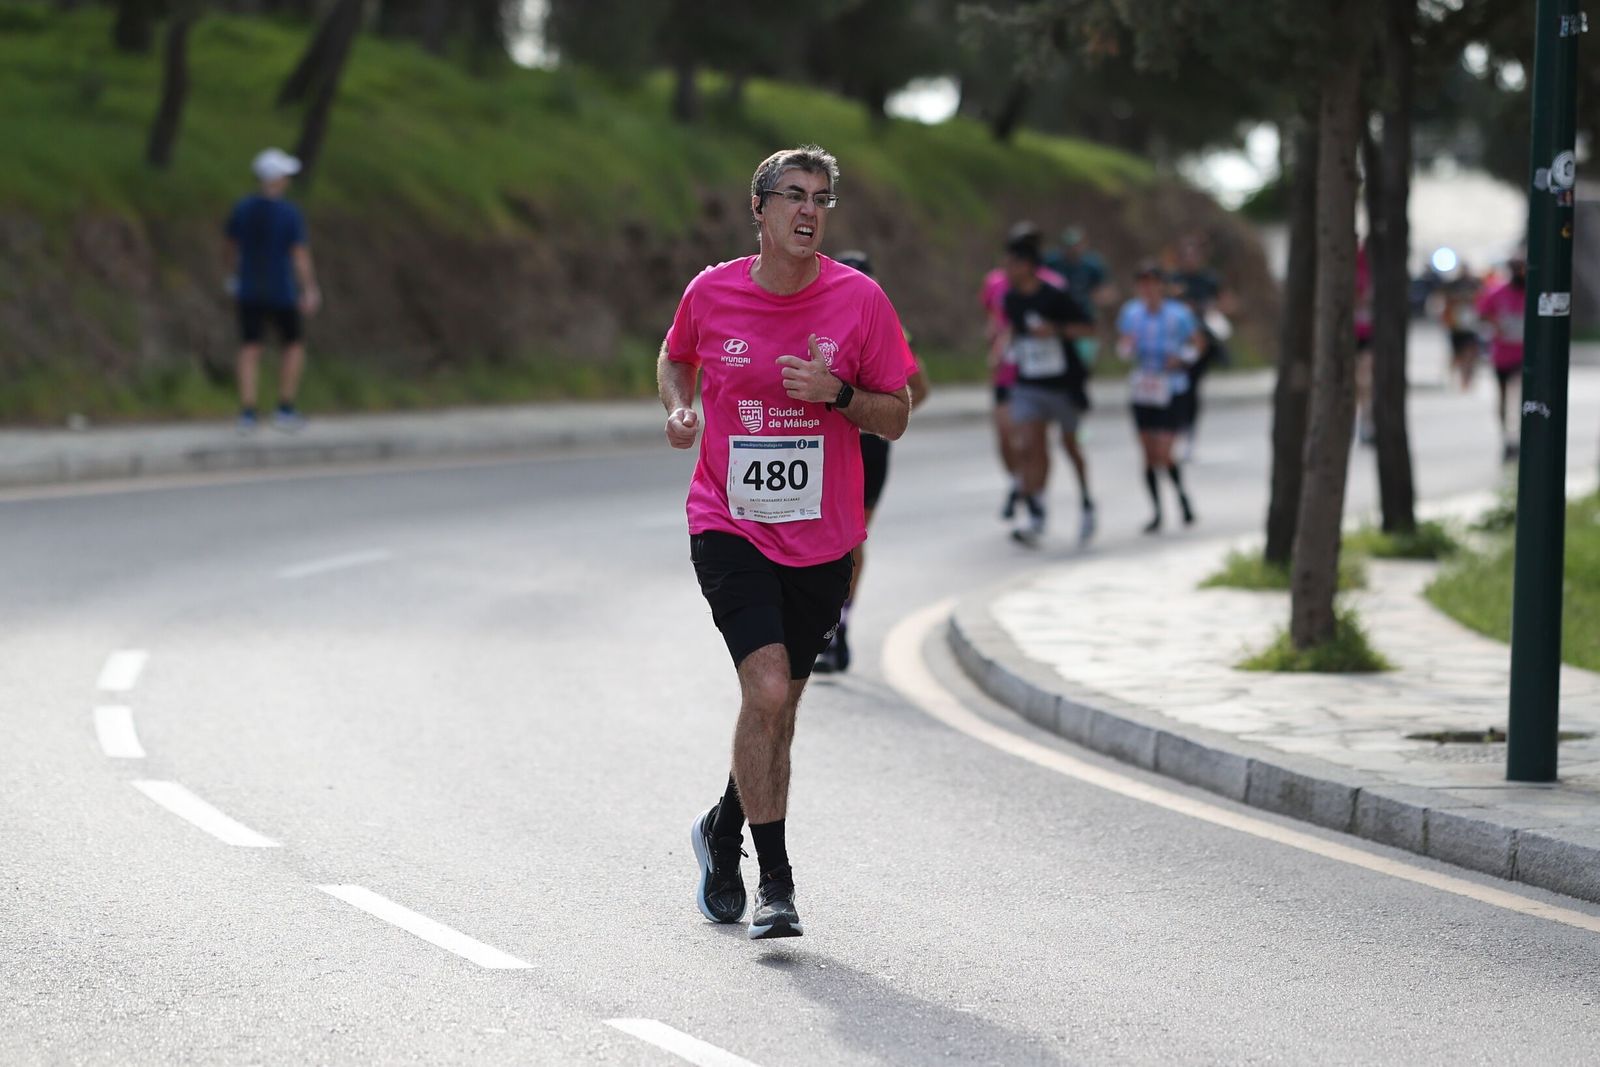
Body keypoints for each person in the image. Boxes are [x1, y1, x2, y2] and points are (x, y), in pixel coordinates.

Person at [658, 146, 914, 939]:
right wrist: (680, 408)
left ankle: (721, 828)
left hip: (822, 539)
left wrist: (837, 394)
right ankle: (775, 882)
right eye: (795, 196)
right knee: (766, 690)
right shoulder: (712, 290)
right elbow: (675, 356)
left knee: (781, 707)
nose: (810, 211)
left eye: (823, 199)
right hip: (729, 523)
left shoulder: (859, 301)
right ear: (760, 209)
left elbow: (898, 412)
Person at [812, 250, 930, 675]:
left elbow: (919, 388)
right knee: (822, 534)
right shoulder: (818, 320)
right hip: (825, 444)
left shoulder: (889, 325)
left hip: (868, 448)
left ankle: (839, 626)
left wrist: (881, 417)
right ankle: (823, 623)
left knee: (850, 539)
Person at [999, 234, 1096, 546]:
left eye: (1011, 263)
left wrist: (1056, 330)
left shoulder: (1055, 296)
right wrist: (1006, 349)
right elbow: (1014, 329)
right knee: (1029, 445)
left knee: (1070, 446)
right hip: (1028, 384)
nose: (1006, 269)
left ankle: (1086, 501)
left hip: (1063, 385)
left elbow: (1089, 327)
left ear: (1027, 266)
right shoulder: (1011, 299)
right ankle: (1037, 515)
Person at [225, 147, 320, 433]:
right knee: (292, 345)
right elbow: (299, 254)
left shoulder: (242, 208)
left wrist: (232, 275)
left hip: (249, 288)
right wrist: (309, 288)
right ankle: (285, 407)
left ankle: (248, 411)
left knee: (249, 347)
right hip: (281, 289)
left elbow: (230, 247)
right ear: (276, 179)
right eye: (285, 175)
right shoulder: (289, 213)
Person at [981, 223, 1066, 521]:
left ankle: (1037, 500)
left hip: (1039, 374)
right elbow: (994, 319)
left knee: (1035, 442)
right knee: (1006, 437)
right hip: (1006, 369)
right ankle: (1019, 483)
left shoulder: (1053, 284)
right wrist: (995, 344)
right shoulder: (996, 282)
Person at [1117, 262, 1203, 533]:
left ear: (1161, 286)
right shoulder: (1131, 313)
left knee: (1165, 452)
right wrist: (1126, 349)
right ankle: (1156, 512)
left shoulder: (1179, 314)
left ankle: (1182, 498)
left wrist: (1182, 358)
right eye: (1142, 283)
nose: (1147, 288)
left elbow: (1198, 343)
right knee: (1147, 452)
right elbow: (1124, 344)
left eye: (1152, 282)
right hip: (1144, 386)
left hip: (1171, 386)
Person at [1168, 236, 1230, 461]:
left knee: (1192, 389)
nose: (1190, 259)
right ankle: (1174, 431)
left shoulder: (1209, 279)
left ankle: (1189, 434)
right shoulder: (1174, 279)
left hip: (1200, 342)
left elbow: (1225, 303)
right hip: (1177, 342)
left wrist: (1207, 308)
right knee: (1176, 391)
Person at [1475, 252, 1528, 462]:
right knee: (1505, 397)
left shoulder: (1532, 292)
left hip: (1525, 356)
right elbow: (1481, 313)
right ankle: (1507, 437)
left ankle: (1522, 435)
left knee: (1522, 397)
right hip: (1503, 355)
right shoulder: (1497, 293)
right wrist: (1496, 326)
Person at [1438, 264, 1483, 390]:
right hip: (1456, 325)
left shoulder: (1476, 283)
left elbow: (1481, 300)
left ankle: (1466, 380)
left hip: (1470, 325)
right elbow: (1445, 302)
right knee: (1456, 354)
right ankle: (1453, 377)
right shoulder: (1452, 285)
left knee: (1470, 353)